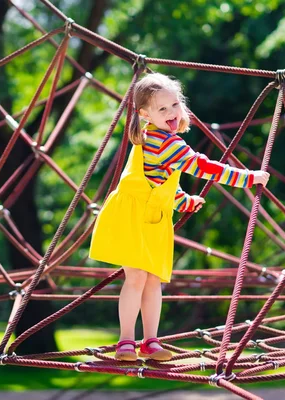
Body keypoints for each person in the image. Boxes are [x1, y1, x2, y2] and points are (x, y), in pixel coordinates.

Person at [89, 73, 270, 362]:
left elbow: (159, 180)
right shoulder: (164, 142)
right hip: (134, 215)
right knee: (135, 277)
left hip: (151, 215)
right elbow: (202, 166)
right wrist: (248, 178)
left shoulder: (157, 137)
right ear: (145, 114)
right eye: (163, 109)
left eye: (175, 105)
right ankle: (126, 341)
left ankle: (150, 341)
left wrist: (183, 200)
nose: (172, 113)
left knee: (152, 281)